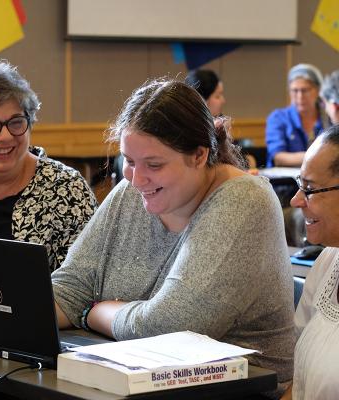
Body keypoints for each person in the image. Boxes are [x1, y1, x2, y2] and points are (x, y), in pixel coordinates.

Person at [52, 78, 295, 399]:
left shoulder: (244, 200)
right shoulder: (133, 191)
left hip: (234, 389)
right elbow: (70, 289)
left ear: (198, 155)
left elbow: (171, 327)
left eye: (154, 164)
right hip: (135, 378)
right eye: (130, 161)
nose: (137, 179)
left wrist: (95, 313)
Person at [0, 59, 97, 305]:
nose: (4, 136)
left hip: (41, 335)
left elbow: (86, 288)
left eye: (16, 123)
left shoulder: (67, 189)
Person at [281, 124, 339, 399]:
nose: (295, 200)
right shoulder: (328, 261)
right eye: (298, 186)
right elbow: (298, 383)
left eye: (309, 189)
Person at [266, 63, 324, 168]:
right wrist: (319, 156)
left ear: (318, 90)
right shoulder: (278, 117)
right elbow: (278, 157)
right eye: (295, 90)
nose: (299, 96)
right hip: (286, 182)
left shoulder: (329, 117)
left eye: (305, 90)